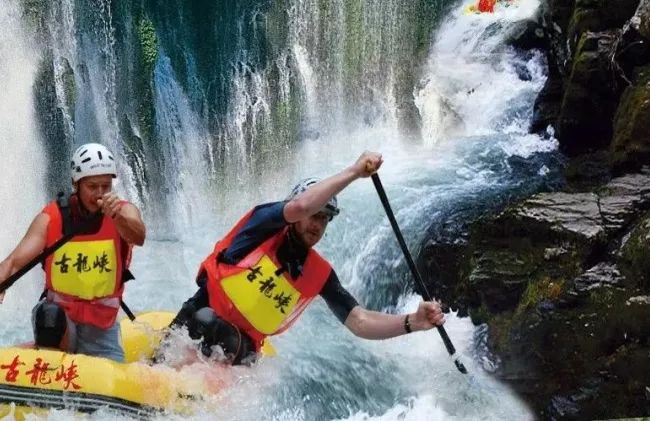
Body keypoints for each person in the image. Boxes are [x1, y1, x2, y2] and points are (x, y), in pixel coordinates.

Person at [166, 152, 446, 365]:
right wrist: (353, 172)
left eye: (325, 219)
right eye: (315, 215)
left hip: (238, 353)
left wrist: (412, 322)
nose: (318, 224)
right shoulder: (262, 227)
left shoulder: (319, 273)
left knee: (236, 343)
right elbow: (300, 206)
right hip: (196, 326)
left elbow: (359, 321)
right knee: (207, 319)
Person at [0, 142, 146, 362]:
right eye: (92, 186)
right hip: (61, 325)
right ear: (76, 184)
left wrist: (117, 217)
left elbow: (138, 236)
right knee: (48, 314)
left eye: (106, 186)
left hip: (102, 327)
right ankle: (51, 366)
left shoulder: (124, 212)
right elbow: (14, 261)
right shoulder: (51, 218)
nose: (99, 194)